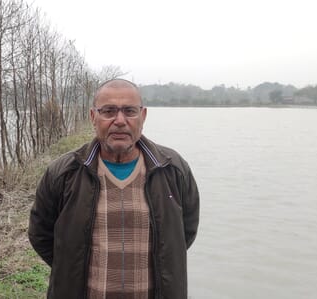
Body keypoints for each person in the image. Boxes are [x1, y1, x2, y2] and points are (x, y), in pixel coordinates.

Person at [28, 78, 199, 298]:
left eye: (129, 111)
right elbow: (40, 234)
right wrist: (71, 269)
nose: (120, 121)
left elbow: (185, 233)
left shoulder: (172, 169)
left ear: (143, 116)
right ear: (93, 117)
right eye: (108, 111)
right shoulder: (63, 173)